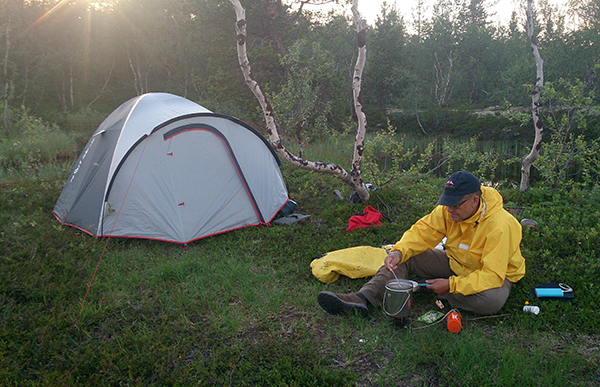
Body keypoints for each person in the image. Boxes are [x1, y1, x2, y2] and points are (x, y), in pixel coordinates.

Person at [317, 171, 526, 317]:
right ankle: (361, 299)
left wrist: (451, 285)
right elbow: (422, 232)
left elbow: (492, 275)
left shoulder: (500, 225)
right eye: (447, 203)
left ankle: (424, 286)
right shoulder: (449, 210)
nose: (450, 209)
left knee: (491, 301)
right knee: (406, 256)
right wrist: (398, 252)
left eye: (455, 204)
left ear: (475, 200)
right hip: (455, 262)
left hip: (495, 276)